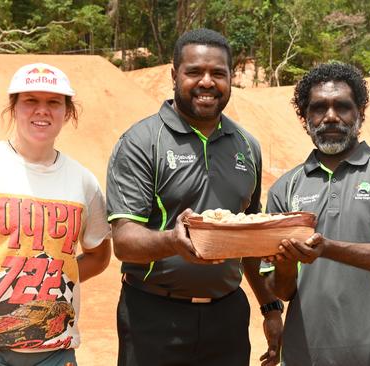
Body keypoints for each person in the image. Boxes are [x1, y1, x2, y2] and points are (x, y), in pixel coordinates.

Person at [106, 28, 281, 366]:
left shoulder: (247, 146)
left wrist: (270, 307)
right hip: (153, 315)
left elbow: (250, 241)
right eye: (194, 72)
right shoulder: (142, 141)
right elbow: (124, 240)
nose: (206, 82)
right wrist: (173, 241)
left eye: (218, 73)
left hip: (227, 316)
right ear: (174, 75)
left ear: (231, 77)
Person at [0, 62, 112, 365]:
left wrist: (49, 283)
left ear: (67, 112)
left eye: (53, 102)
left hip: (54, 351)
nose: (41, 110)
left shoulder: (84, 181)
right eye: (30, 100)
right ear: (13, 107)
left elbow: (99, 255)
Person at [263, 62, 370, 365]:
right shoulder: (284, 189)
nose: (331, 116)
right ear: (304, 117)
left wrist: (326, 248)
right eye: (319, 107)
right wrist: (286, 263)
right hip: (304, 356)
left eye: (343, 107)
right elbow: (281, 289)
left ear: (360, 113)